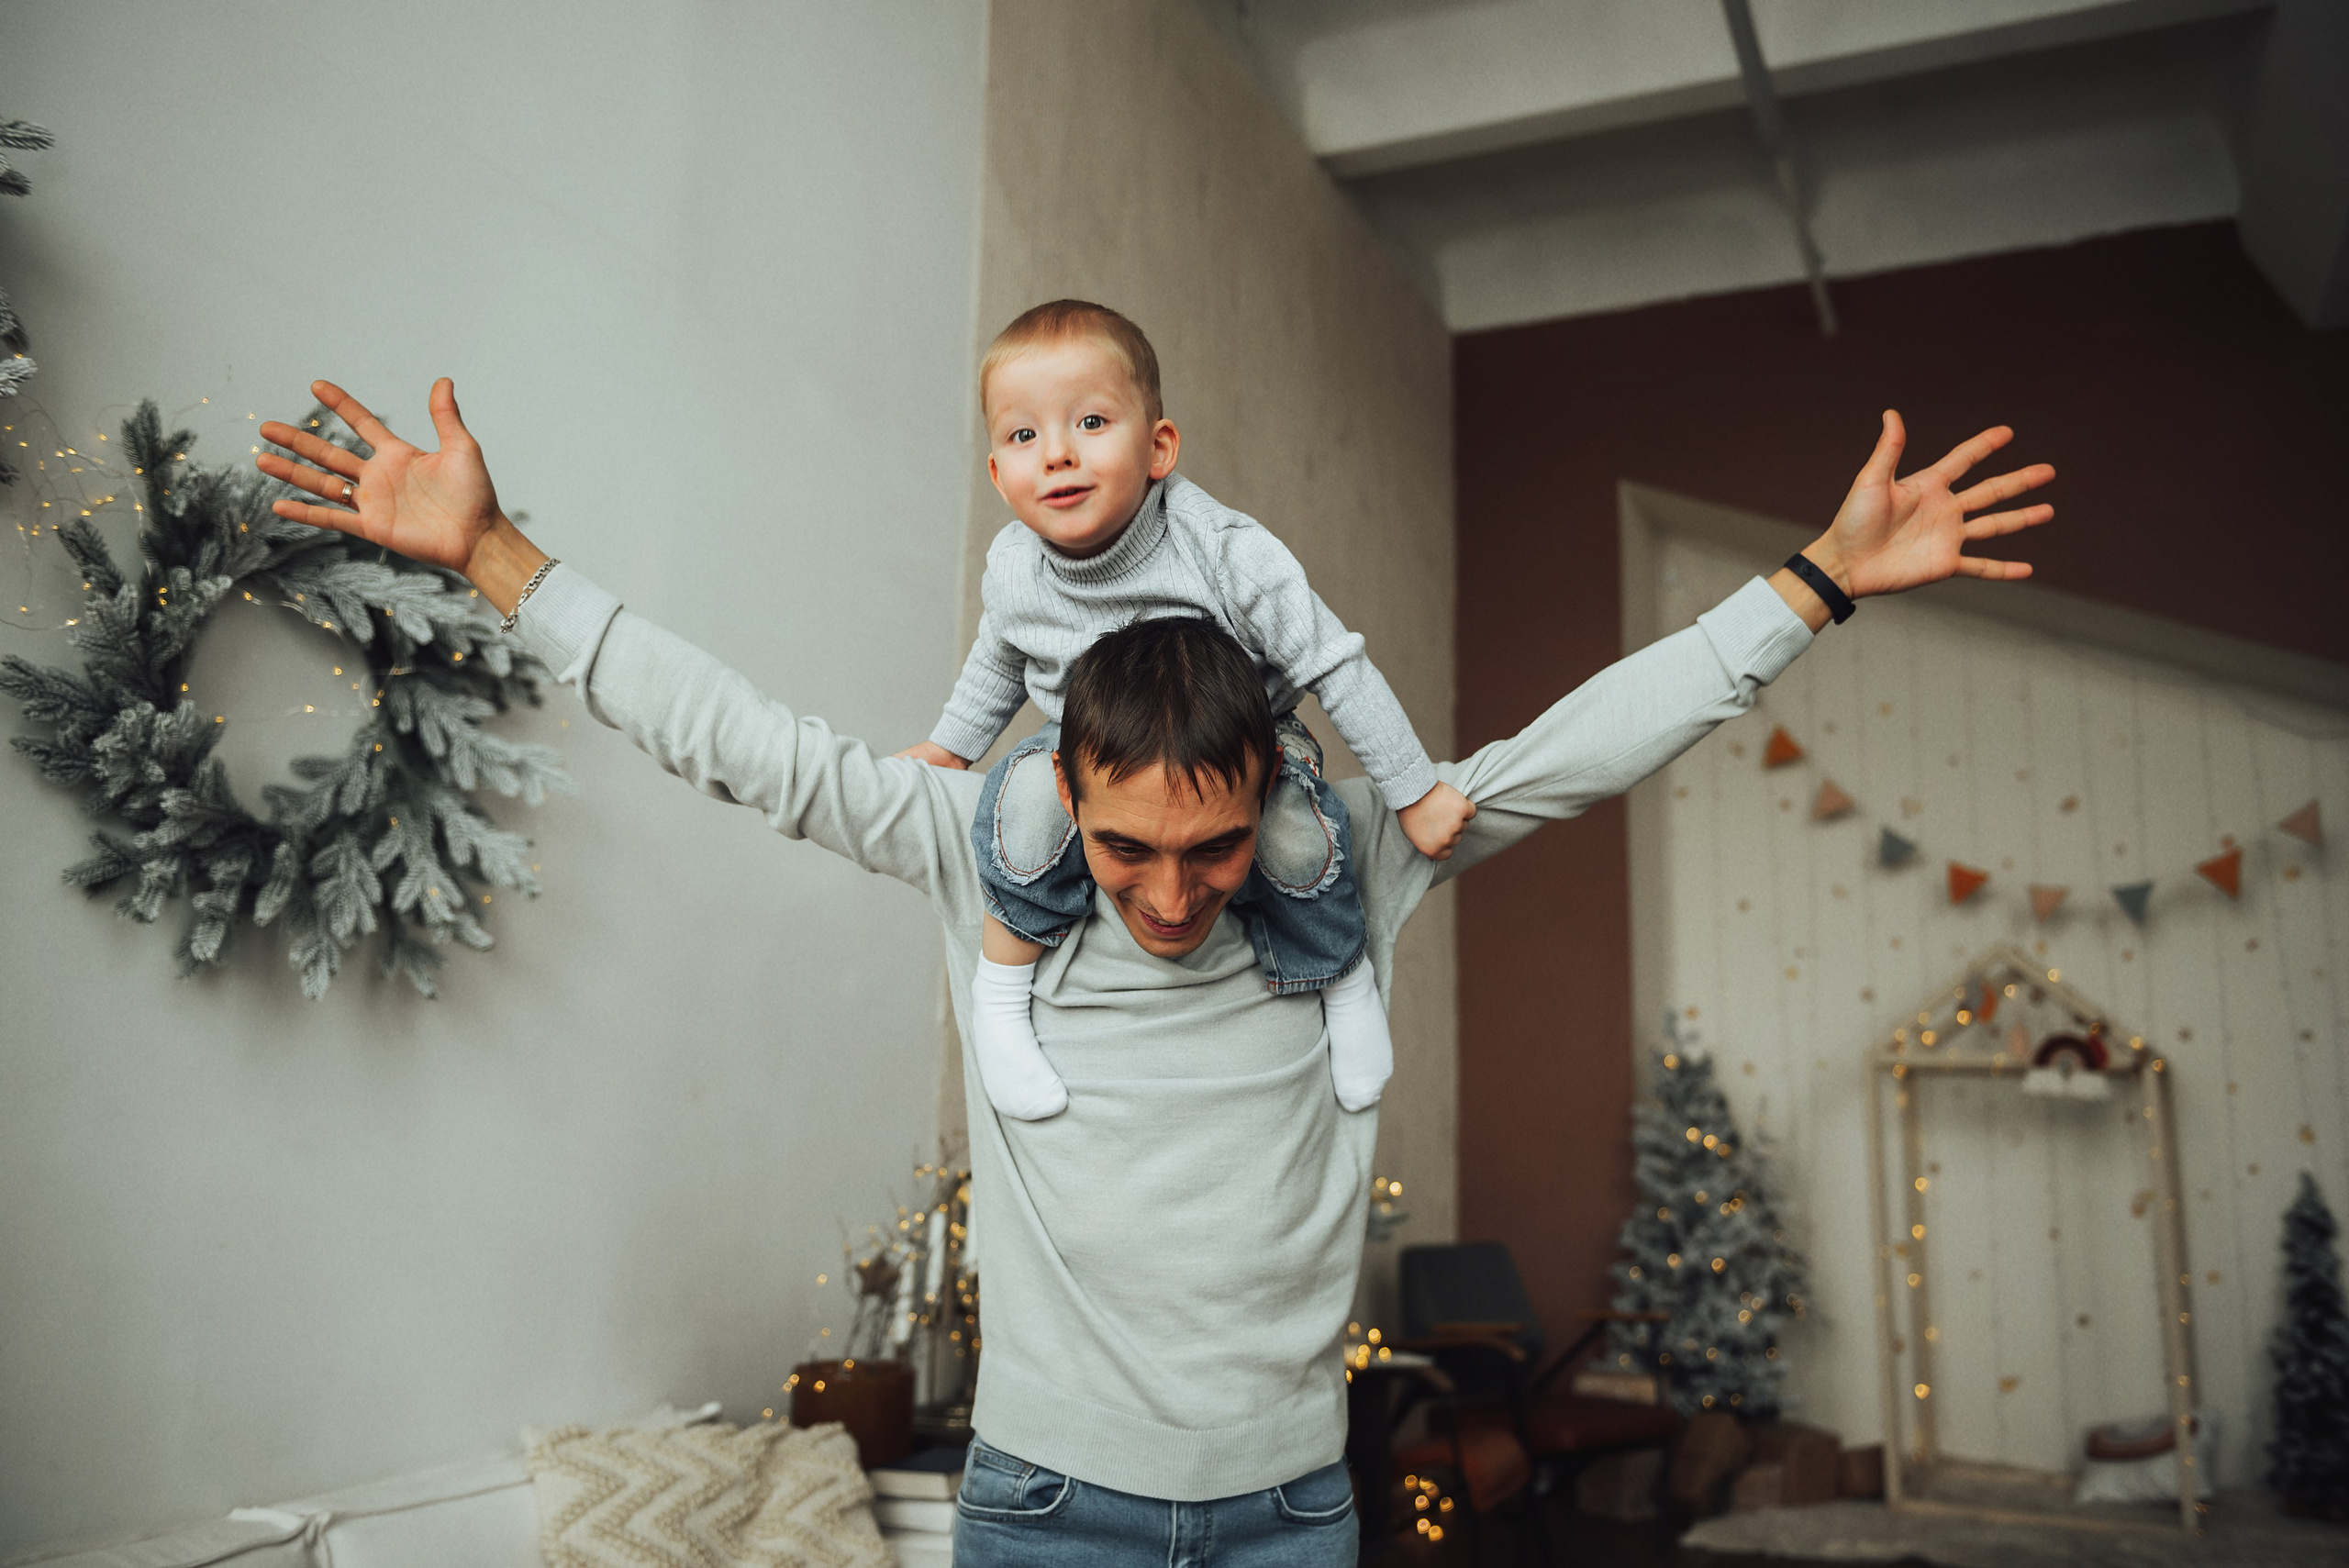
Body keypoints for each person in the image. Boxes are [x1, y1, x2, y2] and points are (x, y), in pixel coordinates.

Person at [256, 378, 2051, 1566]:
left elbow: (1572, 748)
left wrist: (1814, 581)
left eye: (1214, 847)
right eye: (1126, 849)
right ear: (1064, 793)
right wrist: (492, 552)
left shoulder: (1345, 855)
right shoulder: (979, 837)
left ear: (1275, 798)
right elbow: (738, 736)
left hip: (1291, 1505)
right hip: (1047, 1506)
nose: (1172, 894)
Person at [902, 299, 1473, 1123]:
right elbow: (1000, 655)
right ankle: (1002, 991)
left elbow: (1335, 665)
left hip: (1237, 741)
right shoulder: (1015, 566)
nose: (1057, 453)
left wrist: (1414, 791)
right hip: (1093, 749)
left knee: (1296, 833)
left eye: (1091, 422)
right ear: (998, 474)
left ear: (1159, 447)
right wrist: (951, 747)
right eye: (1024, 435)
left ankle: (1342, 979)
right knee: (1019, 808)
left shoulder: (1228, 552)